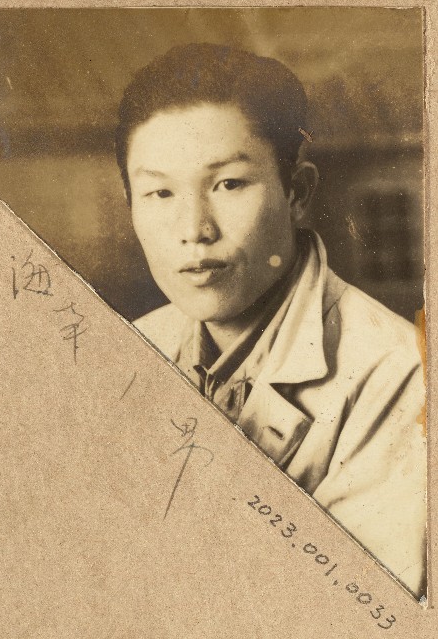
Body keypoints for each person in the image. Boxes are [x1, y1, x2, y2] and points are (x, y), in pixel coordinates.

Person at [115, 43, 426, 597]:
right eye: (160, 192)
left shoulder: (401, 375)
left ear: (297, 192)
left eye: (229, 184)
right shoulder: (127, 351)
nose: (194, 229)